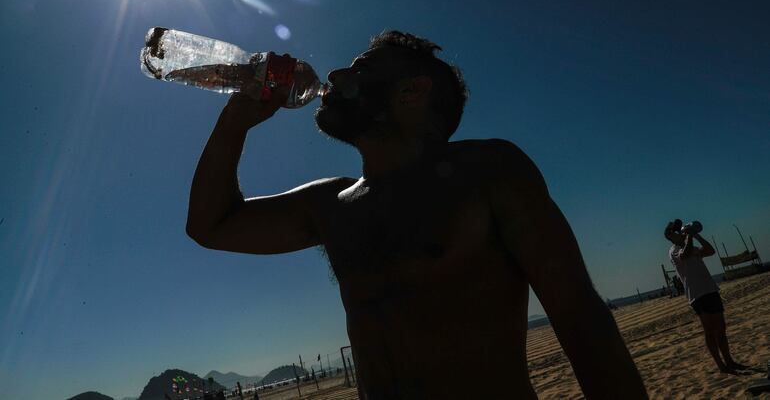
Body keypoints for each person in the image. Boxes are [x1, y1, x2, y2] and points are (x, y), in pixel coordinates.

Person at [187, 30, 647, 399]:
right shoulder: (330, 204)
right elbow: (210, 226)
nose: (334, 73)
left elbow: (581, 320)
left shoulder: (488, 172)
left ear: (411, 91)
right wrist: (235, 121)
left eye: (361, 69)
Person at [664, 220, 746, 373]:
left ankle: (729, 361)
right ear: (670, 235)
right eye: (677, 231)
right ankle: (720, 365)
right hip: (697, 294)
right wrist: (689, 237)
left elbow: (710, 251)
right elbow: (685, 255)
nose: (681, 232)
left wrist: (697, 236)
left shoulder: (691, 245)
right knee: (709, 330)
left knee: (721, 328)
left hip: (710, 289)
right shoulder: (674, 250)